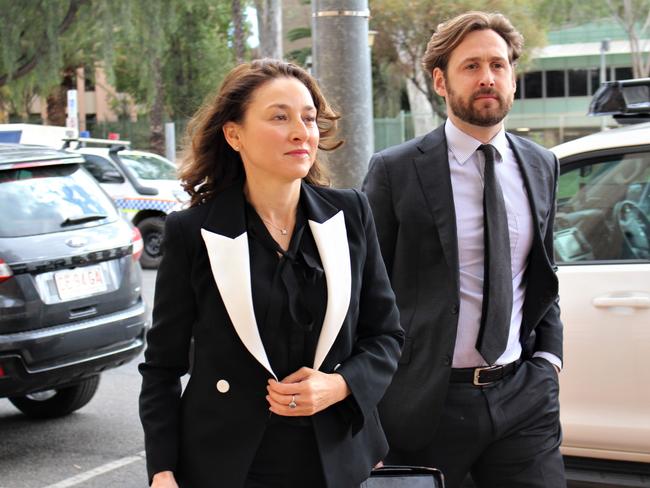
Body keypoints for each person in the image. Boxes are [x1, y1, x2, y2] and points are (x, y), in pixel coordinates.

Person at [138, 58, 403, 488]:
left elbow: (387, 335)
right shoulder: (192, 232)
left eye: (309, 118)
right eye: (279, 117)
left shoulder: (350, 213)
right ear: (233, 134)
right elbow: (162, 366)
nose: (301, 131)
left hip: (335, 460)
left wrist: (340, 386)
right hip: (228, 466)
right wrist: (162, 469)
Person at [363, 11, 566, 488]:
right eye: (470, 66)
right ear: (440, 80)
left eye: (498, 65)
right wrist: (367, 416)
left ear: (513, 78)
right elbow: (364, 294)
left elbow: (544, 271)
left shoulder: (541, 164)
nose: (487, 78)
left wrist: (548, 362)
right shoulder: (394, 171)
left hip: (523, 397)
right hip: (424, 404)